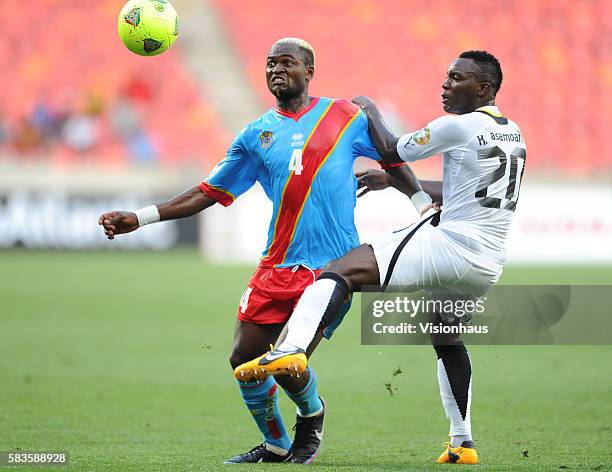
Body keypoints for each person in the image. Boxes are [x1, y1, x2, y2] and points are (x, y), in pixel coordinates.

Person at [98, 38, 430, 464]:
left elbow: (391, 157)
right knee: (243, 360)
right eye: (270, 63)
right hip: (277, 264)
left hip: (334, 268)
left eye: (286, 63)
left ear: (309, 71)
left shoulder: (343, 116)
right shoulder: (256, 135)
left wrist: (420, 204)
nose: (276, 69)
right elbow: (207, 192)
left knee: (287, 361)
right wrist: (140, 218)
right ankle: (275, 443)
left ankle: (311, 414)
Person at [235, 50, 527, 465]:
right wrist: (391, 181)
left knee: (340, 270)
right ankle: (461, 442)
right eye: (446, 76)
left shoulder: (459, 126)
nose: (445, 84)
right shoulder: (512, 133)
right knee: (446, 336)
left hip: (452, 245)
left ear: (483, 88)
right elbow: (473, 194)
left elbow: (391, 147)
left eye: (457, 78)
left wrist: (368, 107)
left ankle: (291, 347)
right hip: (488, 262)